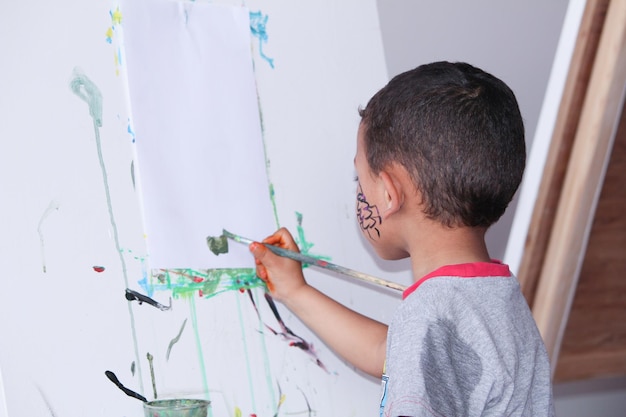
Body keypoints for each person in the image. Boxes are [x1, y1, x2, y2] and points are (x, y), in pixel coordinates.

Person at [249, 61, 555, 416]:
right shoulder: (495, 297)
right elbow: (390, 352)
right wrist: (294, 292)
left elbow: (409, 351)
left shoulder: (430, 315)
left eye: (359, 181)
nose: (359, 192)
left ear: (389, 193)